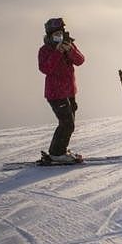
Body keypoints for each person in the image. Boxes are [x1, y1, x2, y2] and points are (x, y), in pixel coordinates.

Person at [38, 17, 85, 162]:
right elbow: (45, 68)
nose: (58, 37)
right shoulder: (45, 50)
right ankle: (57, 154)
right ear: (49, 35)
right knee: (67, 124)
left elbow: (80, 60)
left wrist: (70, 50)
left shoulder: (69, 45)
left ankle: (58, 151)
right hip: (55, 93)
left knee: (69, 124)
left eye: (60, 33)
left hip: (70, 92)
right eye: (55, 35)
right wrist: (57, 52)